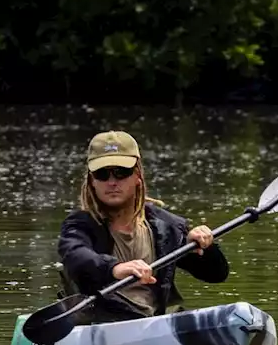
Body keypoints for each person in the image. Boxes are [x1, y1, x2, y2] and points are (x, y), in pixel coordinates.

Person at [57, 130, 228, 323]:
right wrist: (114, 269)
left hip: (155, 324)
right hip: (101, 322)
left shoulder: (167, 226)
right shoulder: (79, 225)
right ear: (92, 181)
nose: (112, 182)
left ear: (137, 175)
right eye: (102, 174)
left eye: (121, 172)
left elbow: (217, 274)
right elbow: (75, 255)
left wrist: (205, 247)